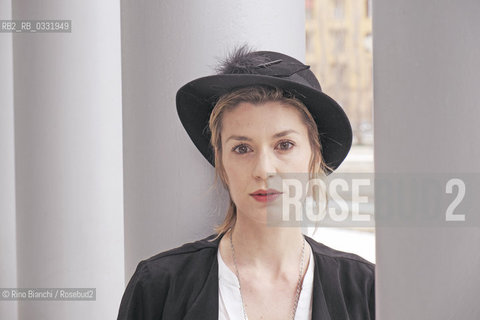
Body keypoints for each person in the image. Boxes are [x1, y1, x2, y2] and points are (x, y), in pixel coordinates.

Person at [117, 45, 375, 320]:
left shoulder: (365, 289)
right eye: (242, 148)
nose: (264, 170)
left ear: (314, 155)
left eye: (284, 145)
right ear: (221, 162)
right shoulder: (158, 288)